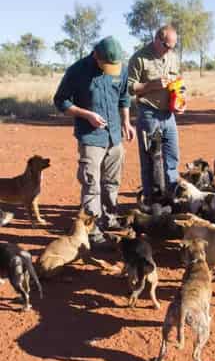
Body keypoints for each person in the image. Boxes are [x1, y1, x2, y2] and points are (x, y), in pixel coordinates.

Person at [53, 36, 135, 245]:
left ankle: (109, 219)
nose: (111, 68)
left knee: (112, 183)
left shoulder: (120, 69)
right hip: (91, 138)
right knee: (92, 185)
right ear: (96, 55)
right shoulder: (77, 71)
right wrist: (86, 114)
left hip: (114, 135)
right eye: (107, 65)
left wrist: (126, 122)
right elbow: (60, 101)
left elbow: (124, 97)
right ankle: (92, 230)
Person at [128, 24, 185, 207]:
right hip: (149, 114)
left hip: (169, 115)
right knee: (151, 161)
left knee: (172, 158)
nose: (170, 50)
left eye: (173, 47)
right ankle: (152, 203)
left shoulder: (173, 58)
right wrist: (151, 85)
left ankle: (172, 200)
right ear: (157, 40)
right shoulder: (139, 58)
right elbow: (130, 87)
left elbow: (179, 84)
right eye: (167, 46)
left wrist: (181, 101)